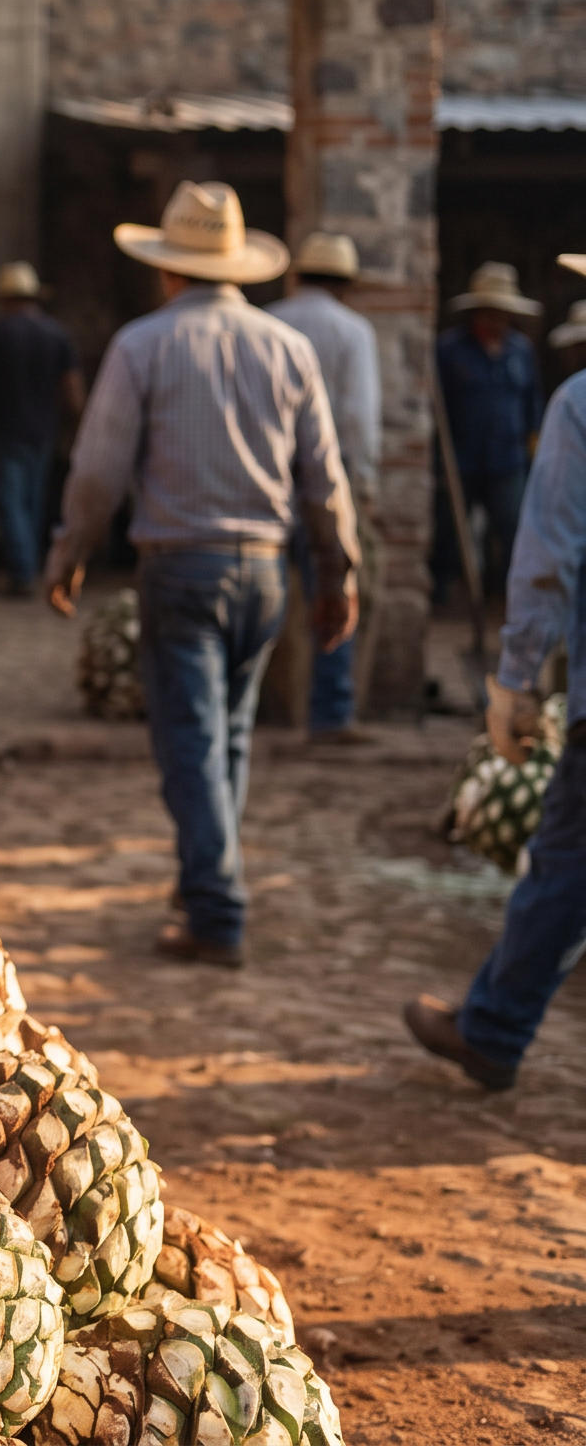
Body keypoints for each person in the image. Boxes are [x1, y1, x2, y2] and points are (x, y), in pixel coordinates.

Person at [43, 183, 358, 966]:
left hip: (180, 567)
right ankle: (201, 881)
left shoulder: (143, 345)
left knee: (189, 739)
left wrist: (70, 551)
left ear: (168, 271)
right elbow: (324, 476)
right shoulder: (288, 348)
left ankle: (215, 909)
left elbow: (98, 469)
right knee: (231, 738)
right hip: (264, 572)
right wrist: (337, 572)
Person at [407, 253, 586, 1089]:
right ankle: (493, 1026)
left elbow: (547, 561)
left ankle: (493, 1028)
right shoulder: (460, 358)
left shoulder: (576, 402)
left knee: (564, 864)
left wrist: (515, 682)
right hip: (478, 469)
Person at [267, 232, 382, 745]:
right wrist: (366, 481)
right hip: (328, 473)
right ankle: (329, 711)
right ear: (345, 283)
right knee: (333, 585)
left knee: (264, 588)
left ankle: (259, 702)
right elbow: (358, 415)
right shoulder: (352, 331)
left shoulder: (271, 322)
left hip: (269, 472)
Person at [0, 261, 82, 595]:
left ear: (4, 299)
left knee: (11, 501)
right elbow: (72, 388)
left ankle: (22, 570)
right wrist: (81, 426)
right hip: (44, 431)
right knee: (31, 501)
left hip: (4, 429)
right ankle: (30, 565)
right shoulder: (56, 334)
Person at [433, 262, 543, 604]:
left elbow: (532, 403)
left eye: (503, 313)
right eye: (491, 312)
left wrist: (534, 448)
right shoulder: (450, 350)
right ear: (477, 311)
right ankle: (441, 595)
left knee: (514, 532)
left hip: (507, 460)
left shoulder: (520, 350)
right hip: (461, 461)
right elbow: (439, 409)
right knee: (449, 533)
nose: (497, 320)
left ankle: (510, 599)